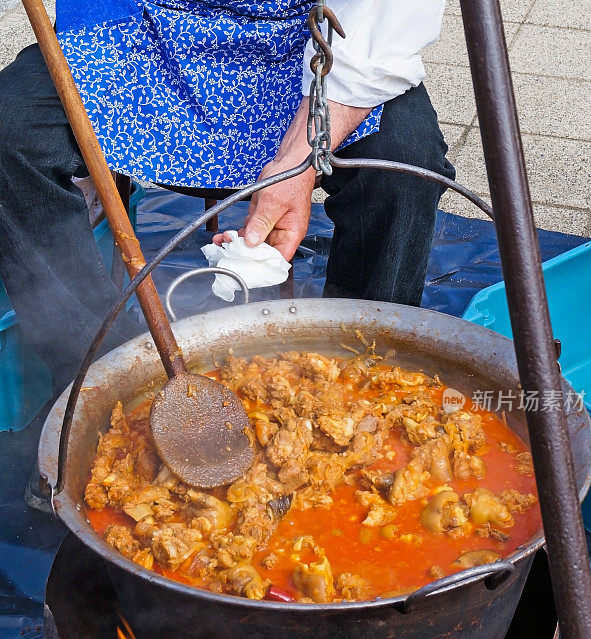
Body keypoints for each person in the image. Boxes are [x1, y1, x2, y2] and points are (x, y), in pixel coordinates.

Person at [0, 0, 454, 395]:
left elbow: (385, 18)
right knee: (11, 130)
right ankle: (107, 376)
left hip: (305, 35)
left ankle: (359, 368)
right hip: (141, 27)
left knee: (407, 164)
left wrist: (300, 159)